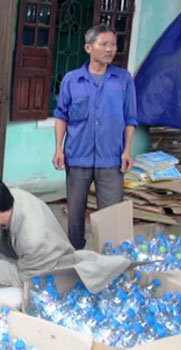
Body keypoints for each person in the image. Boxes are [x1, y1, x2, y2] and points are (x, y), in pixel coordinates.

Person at [0, 172, 130, 309]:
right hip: (33, 259)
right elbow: (0, 229)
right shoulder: (11, 197)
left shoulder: (33, 239)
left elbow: (25, 278)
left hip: (50, 280)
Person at [52, 24, 137, 250]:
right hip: (77, 157)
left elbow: (130, 118)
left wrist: (127, 150)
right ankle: (75, 254)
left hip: (111, 158)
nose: (110, 49)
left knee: (111, 214)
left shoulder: (123, 80)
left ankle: (108, 259)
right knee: (75, 212)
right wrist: (58, 148)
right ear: (89, 47)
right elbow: (61, 116)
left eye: (113, 44)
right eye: (104, 44)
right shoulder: (72, 80)